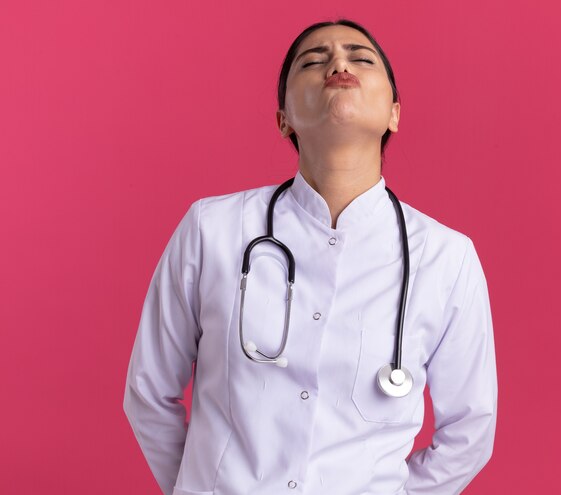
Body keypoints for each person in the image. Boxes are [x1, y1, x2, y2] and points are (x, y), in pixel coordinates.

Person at [123, 18, 498, 495]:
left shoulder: (447, 258)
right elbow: (147, 393)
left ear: (394, 114)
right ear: (283, 118)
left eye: (360, 58)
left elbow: (471, 428)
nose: (338, 63)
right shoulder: (211, 229)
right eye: (313, 60)